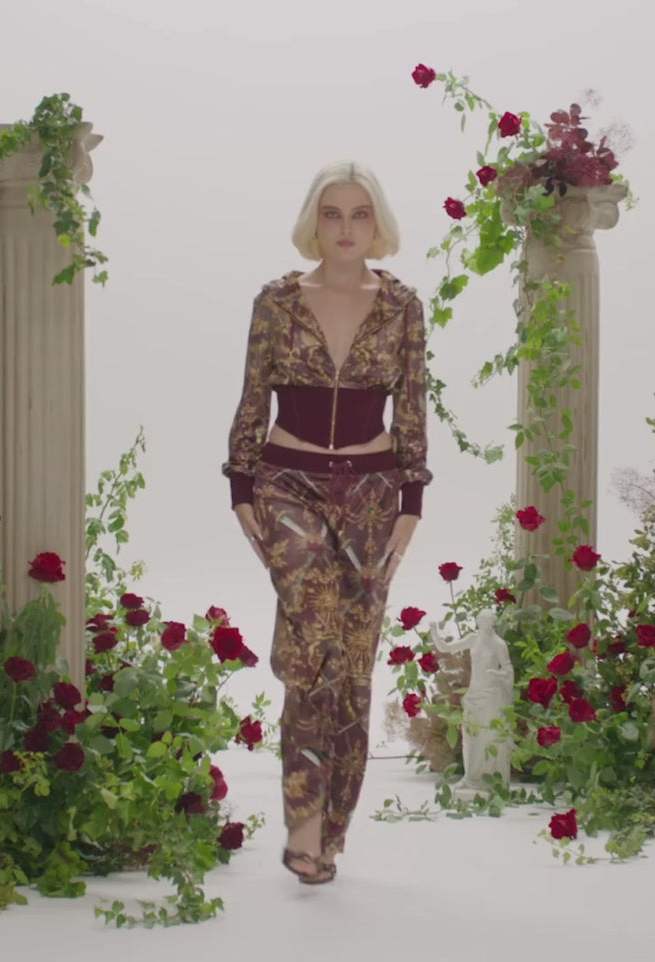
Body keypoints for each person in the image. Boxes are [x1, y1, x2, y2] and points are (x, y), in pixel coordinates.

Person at [222, 161, 432, 884]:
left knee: (353, 661)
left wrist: (412, 501)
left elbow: (413, 406)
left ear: (378, 224)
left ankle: (332, 831)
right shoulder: (278, 301)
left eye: (359, 213)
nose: (346, 227)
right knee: (314, 645)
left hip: (373, 493)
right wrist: (241, 486)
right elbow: (253, 395)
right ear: (314, 221)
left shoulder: (401, 306)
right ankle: (304, 831)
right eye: (333, 213)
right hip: (287, 484)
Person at [429, 611, 514, 793]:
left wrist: (497, 674)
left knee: (489, 736)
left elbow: (508, 669)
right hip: (474, 694)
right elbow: (445, 648)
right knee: (470, 737)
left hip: (491, 695)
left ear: (492, 622)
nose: (483, 623)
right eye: (480, 620)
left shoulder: (499, 644)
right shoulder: (473, 639)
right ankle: (471, 777)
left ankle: (491, 779)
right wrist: (435, 633)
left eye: (487, 620)